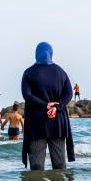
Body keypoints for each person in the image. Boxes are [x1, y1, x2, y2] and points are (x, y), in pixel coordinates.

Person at [21, 42, 75, 170]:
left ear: (36, 53)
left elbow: (27, 96)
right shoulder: (61, 72)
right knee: (59, 164)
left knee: (36, 165)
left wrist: (45, 105)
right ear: (51, 53)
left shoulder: (29, 73)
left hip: (36, 123)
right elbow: (69, 94)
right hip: (57, 122)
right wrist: (57, 107)